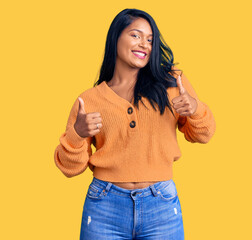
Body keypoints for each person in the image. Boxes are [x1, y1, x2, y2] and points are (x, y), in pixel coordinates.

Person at [53, 8, 216, 240]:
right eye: (136, 35)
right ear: (116, 38)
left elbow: (204, 134)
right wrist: (77, 134)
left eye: (150, 40)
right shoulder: (89, 100)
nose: (144, 45)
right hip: (104, 206)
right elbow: (70, 167)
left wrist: (195, 109)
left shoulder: (171, 82)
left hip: (160, 204)